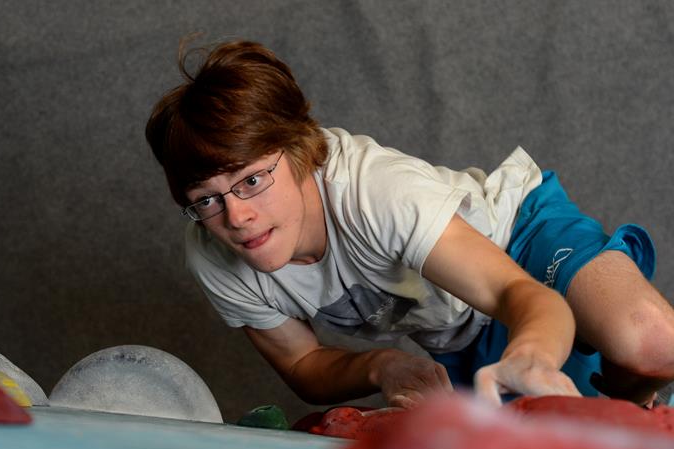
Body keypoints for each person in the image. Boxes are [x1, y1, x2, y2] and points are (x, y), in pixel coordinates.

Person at [145, 39, 674, 407]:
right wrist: (380, 366)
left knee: (650, 342)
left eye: (253, 181)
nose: (237, 217)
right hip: (458, 336)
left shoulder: (378, 194)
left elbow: (521, 294)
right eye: (206, 200)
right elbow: (302, 365)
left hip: (520, 243)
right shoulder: (213, 253)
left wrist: (531, 356)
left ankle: (634, 391)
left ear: (300, 150)